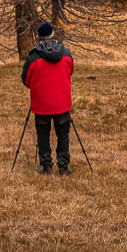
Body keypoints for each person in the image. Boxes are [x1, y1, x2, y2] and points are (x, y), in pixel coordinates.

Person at [21, 21, 75, 176]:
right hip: (62, 102)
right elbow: (70, 71)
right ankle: (63, 167)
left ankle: (46, 166)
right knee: (63, 133)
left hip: (41, 103)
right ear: (53, 35)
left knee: (43, 134)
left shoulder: (33, 57)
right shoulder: (66, 53)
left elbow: (26, 80)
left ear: (39, 38)